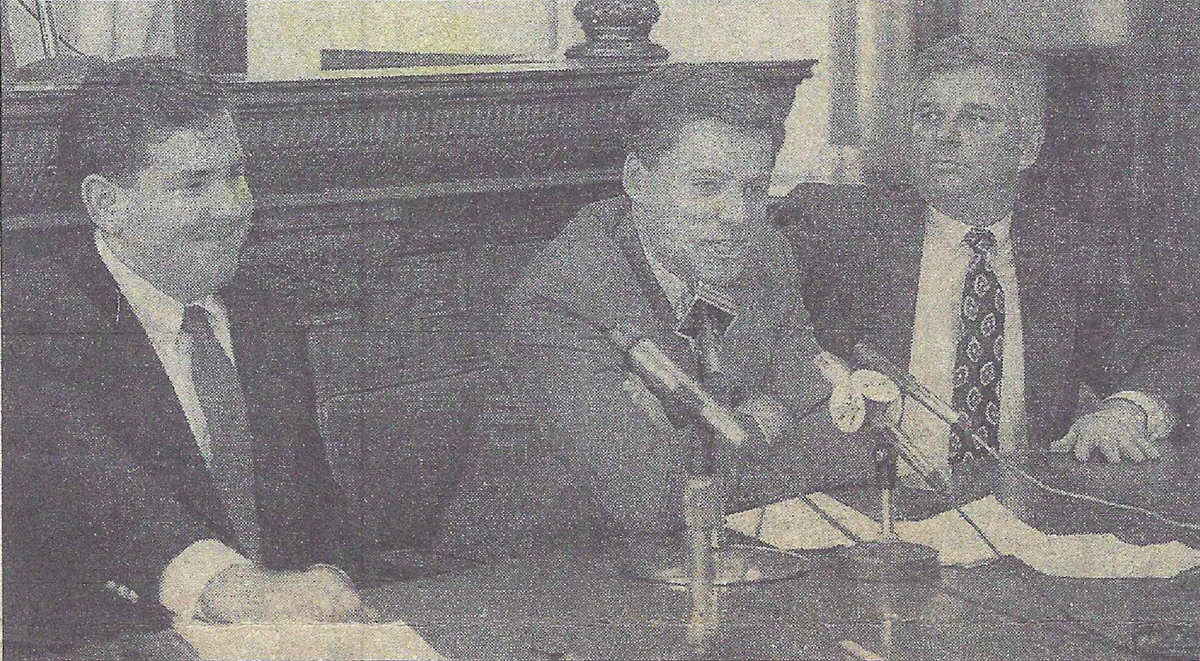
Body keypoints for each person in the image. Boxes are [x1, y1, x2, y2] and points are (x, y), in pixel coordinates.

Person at [1, 59, 369, 651]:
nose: (232, 208)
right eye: (194, 185)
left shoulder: (263, 310)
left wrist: (329, 583)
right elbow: (101, 495)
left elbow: (312, 511)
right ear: (106, 203)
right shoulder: (31, 322)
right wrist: (234, 588)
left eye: (236, 175)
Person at [459, 64, 841, 542]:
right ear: (638, 182)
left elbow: (837, 426)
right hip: (538, 576)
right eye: (706, 186)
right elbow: (655, 501)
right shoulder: (565, 298)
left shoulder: (765, 253)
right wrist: (769, 416)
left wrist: (723, 435)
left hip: (710, 552)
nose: (738, 216)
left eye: (754, 189)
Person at [794, 34, 1199, 469]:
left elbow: (1168, 355)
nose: (945, 136)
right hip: (867, 506)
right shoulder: (837, 228)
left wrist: (1126, 410)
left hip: (1013, 515)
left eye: (976, 119)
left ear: (1026, 148)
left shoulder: (1072, 254)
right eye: (928, 116)